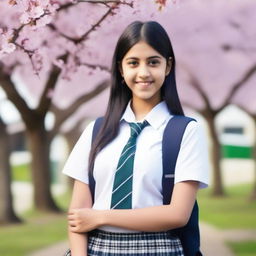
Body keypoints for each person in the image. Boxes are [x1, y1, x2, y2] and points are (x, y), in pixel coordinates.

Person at [62, 20, 209, 256]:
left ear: (168, 66)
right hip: (97, 248)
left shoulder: (186, 132)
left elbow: (178, 214)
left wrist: (99, 216)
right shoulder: (96, 131)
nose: (143, 72)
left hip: (160, 248)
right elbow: (78, 214)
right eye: (133, 63)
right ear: (121, 69)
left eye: (153, 62)